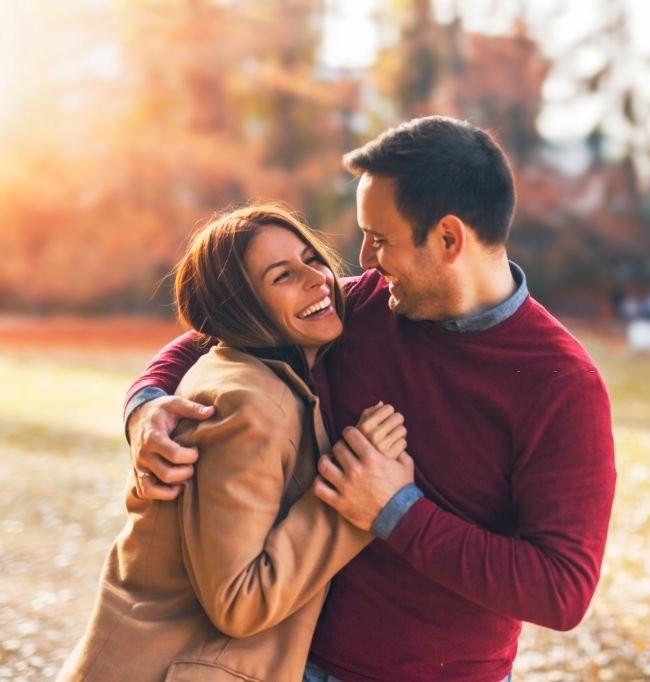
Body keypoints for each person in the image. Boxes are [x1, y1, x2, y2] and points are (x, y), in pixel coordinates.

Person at [124, 116, 617, 681]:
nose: (362, 258)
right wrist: (146, 405)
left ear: (449, 239)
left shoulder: (561, 386)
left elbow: (561, 590)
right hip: (289, 663)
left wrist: (395, 511)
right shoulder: (363, 307)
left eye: (380, 239)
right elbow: (220, 330)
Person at [60, 204, 409, 682]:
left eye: (311, 258)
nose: (318, 279)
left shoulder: (251, 376)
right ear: (240, 310)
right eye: (282, 276)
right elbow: (238, 602)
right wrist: (353, 498)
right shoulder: (248, 405)